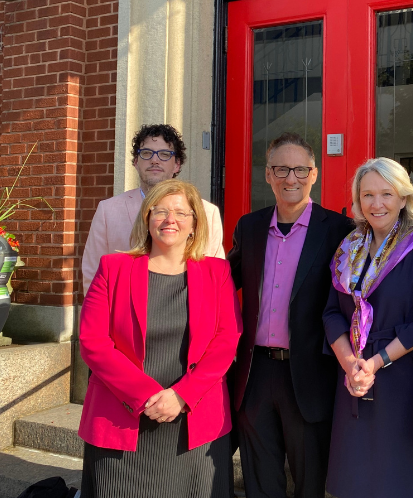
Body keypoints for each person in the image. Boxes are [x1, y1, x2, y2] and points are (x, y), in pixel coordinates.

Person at [78, 179, 241, 498]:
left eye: (181, 212)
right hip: (122, 420)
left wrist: (180, 396)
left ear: (195, 224)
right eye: (161, 211)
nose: (170, 219)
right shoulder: (113, 268)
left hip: (195, 424)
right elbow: (92, 342)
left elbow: (226, 341)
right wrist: (147, 397)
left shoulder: (217, 272)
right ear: (146, 218)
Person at [227, 132, 354, 498]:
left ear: (314, 174)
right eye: (281, 169)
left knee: (310, 482)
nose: (291, 178)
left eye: (300, 169)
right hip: (255, 374)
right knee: (260, 481)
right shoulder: (249, 227)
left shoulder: (338, 231)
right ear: (268, 174)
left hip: (309, 375)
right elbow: (221, 282)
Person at [323, 157, 413, 498]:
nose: (377, 204)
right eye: (367, 195)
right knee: (352, 479)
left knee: (394, 479)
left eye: (387, 194)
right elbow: (332, 313)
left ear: (403, 198)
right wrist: (350, 364)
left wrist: (374, 364)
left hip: (398, 381)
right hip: (351, 380)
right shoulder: (348, 249)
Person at [82, 123, 225, 293]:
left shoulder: (207, 213)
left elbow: (215, 279)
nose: (155, 160)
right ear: (136, 161)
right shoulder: (108, 211)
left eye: (164, 154)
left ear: (177, 164)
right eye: (147, 153)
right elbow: (93, 275)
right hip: (126, 315)